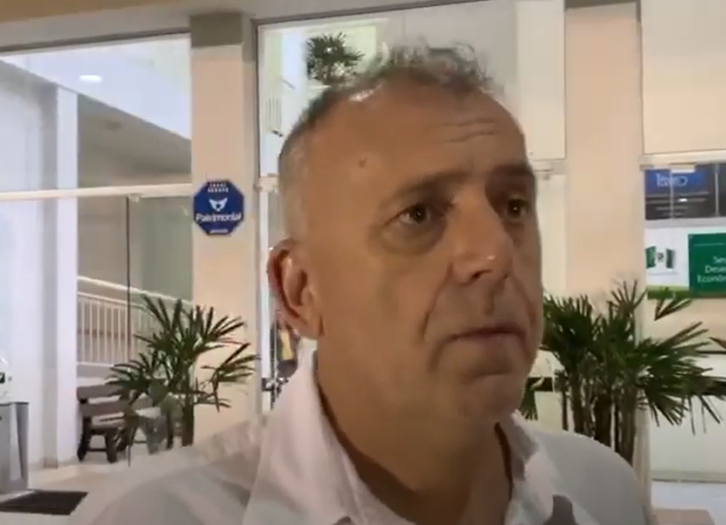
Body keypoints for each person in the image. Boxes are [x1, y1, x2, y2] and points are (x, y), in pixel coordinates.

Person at [72, 45, 654, 525]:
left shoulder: (602, 492)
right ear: (301, 292)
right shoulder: (150, 516)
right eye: (418, 214)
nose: (495, 254)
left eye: (514, 206)